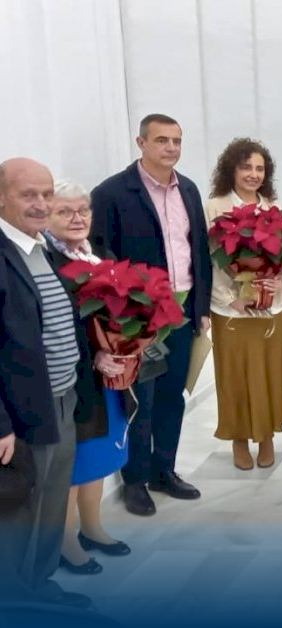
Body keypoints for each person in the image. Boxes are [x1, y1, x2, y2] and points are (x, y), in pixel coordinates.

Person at [90, 113, 212, 517]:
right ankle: (136, 480)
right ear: (141, 143)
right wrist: (120, 314)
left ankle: (165, 470)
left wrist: (201, 306)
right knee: (142, 398)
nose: (171, 148)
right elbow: (101, 254)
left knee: (173, 394)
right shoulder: (112, 193)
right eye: (162, 140)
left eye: (177, 140)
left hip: (183, 310)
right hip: (139, 316)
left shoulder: (188, 189)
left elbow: (199, 251)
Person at [0, 158, 91, 608]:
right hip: (21, 411)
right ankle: (17, 599)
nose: (41, 204)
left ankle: (39, 586)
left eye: (46, 194)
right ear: (1, 198)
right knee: (22, 510)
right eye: (28, 195)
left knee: (52, 501)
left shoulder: (42, 249)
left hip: (61, 398)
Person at [43, 181, 133, 575]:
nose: (77, 218)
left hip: (108, 377)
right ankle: (65, 541)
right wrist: (95, 352)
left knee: (99, 455)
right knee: (74, 463)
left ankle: (93, 528)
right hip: (75, 378)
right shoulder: (47, 261)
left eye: (83, 210)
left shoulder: (99, 254)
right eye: (65, 211)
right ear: (47, 215)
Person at [205, 138, 282, 470]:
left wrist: (281, 280)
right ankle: (240, 439)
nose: (253, 174)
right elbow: (209, 261)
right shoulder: (213, 207)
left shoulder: (276, 209)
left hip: (272, 308)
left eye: (260, 168)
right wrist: (232, 298)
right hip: (232, 311)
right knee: (236, 376)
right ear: (231, 170)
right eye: (246, 167)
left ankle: (267, 436)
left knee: (269, 374)